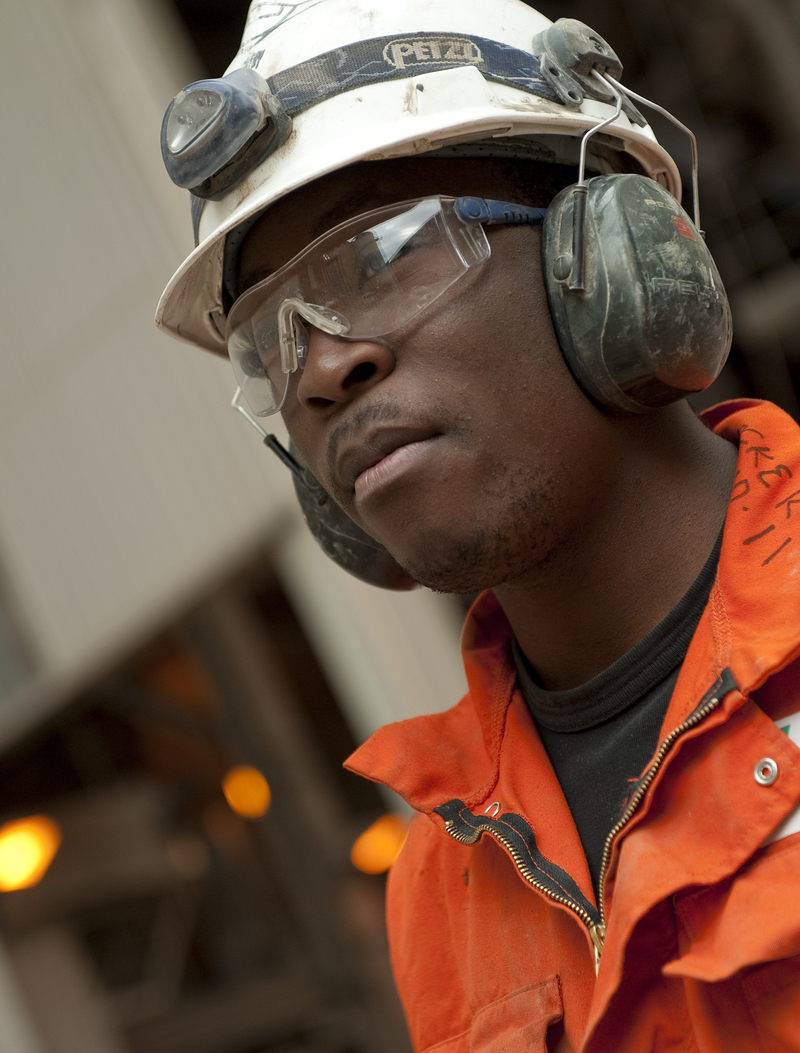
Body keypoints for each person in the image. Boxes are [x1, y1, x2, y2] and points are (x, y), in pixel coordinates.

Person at [156, 1, 800, 1049]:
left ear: (607, 251)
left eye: (382, 256)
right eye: (269, 340)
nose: (320, 369)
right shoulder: (442, 884)